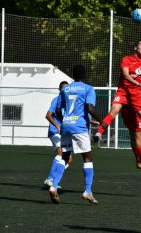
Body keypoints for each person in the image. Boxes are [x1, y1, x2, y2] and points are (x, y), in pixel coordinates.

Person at [48, 65, 103, 205]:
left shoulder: (65, 89)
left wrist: (66, 120)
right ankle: (88, 191)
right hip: (79, 127)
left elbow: (58, 110)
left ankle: (54, 186)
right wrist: (102, 121)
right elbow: (90, 108)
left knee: (64, 157)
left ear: (72, 75)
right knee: (87, 158)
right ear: (85, 75)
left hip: (65, 126)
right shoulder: (88, 89)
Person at [43, 81, 72, 189]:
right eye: (63, 88)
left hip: (64, 133)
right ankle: (51, 179)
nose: (65, 90)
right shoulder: (56, 100)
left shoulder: (69, 101)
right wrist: (57, 125)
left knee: (69, 159)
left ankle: (52, 178)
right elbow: (48, 115)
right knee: (61, 155)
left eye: (66, 88)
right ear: (59, 90)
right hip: (55, 132)